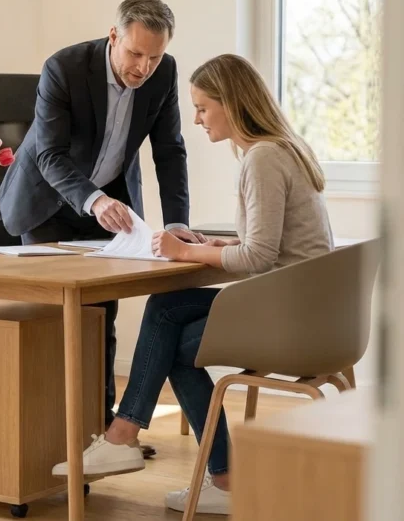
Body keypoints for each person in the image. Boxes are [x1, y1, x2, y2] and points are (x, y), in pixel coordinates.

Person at [51, 53, 334, 515]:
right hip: (309, 309)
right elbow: (272, 245)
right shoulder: (284, 148)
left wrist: (184, 252)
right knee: (166, 309)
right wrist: (219, 243)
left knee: (176, 347)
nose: (197, 119)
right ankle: (149, 447)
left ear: (231, 103)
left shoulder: (262, 158)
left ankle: (153, 449)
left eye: (203, 107)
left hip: (289, 319)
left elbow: (259, 257)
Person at [0, 0, 199, 451]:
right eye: (135, 53)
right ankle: (48, 435)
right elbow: (49, 154)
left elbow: (169, 151)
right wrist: (93, 199)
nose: (144, 68)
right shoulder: (64, 68)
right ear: (113, 37)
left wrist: (177, 223)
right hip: (48, 200)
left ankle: (102, 432)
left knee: (101, 316)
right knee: (53, 318)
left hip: (113, 202)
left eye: (154, 57)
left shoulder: (163, 72)